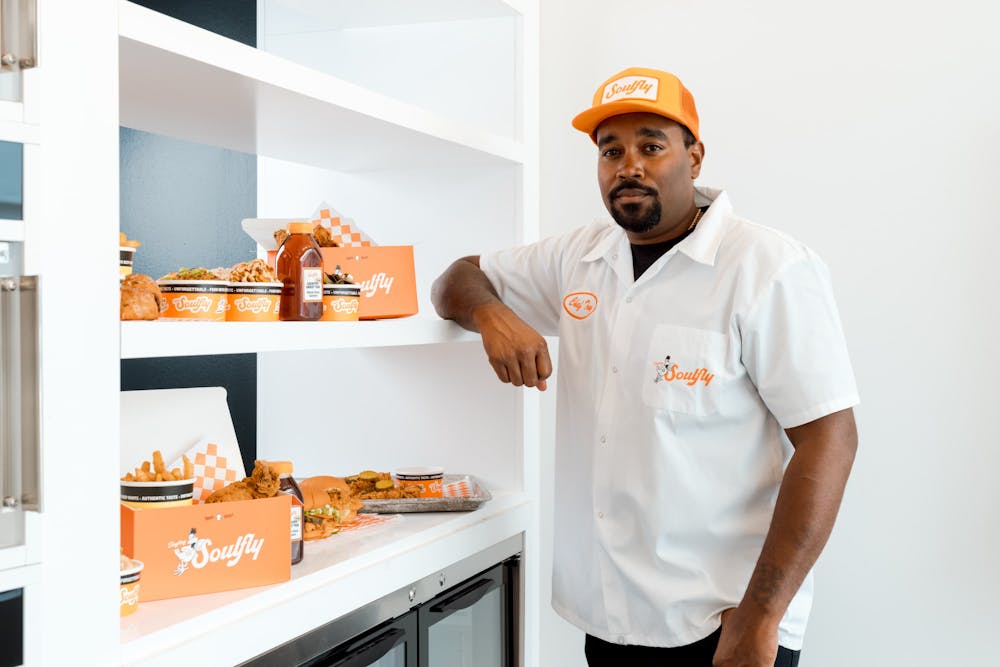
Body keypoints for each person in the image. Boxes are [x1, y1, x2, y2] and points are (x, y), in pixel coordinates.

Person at [431, 67, 859, 667]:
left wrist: (763, 616)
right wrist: (491, 315)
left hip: (724, 624)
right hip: (608, 619)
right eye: (611, 150)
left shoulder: (767, 268)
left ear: (695, 156)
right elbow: (455, 278)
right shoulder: (576, 257)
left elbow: (830, 441)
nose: (628, 165)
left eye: (651, 145)